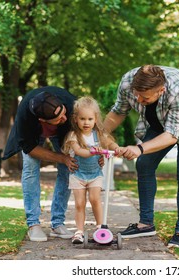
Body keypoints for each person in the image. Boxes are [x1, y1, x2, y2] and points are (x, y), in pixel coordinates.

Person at [103, 65, 179, 247]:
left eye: (145, 97)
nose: (139, 100)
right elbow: (119, 111)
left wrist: (140, 148)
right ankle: (145, 224)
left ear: (161, 90)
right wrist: (99, 135)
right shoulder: (127, 82)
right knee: (144, 165)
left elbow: (172, 134)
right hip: (158, 120)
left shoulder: (178, 90)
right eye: (137, 95)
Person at [2, 86, 80, 242]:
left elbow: (89, 129)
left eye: (64, 112)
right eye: (58, 119)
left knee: (69, 167)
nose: (64, 118)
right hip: (34, 134)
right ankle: (34, 224)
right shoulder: (25, 116)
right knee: (30, 169)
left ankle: (57, 223)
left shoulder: (71, 105)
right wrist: (61, 158)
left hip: (63, 134)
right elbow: (30, 148)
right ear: (43, 120)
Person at [62, 96, 121, 244]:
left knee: (95, 199)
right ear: (76, 119)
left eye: (89, 119)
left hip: (95, 175)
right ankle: (79, 231)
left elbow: (110, 143)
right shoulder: (73, 135)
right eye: (82, 119)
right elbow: (79, 151)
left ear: (95, 119)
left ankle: (101, 227)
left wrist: (116, 148)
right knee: (79, 203)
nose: (86, 122)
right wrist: (94, 152)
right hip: (78, 175)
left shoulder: (99, 135)